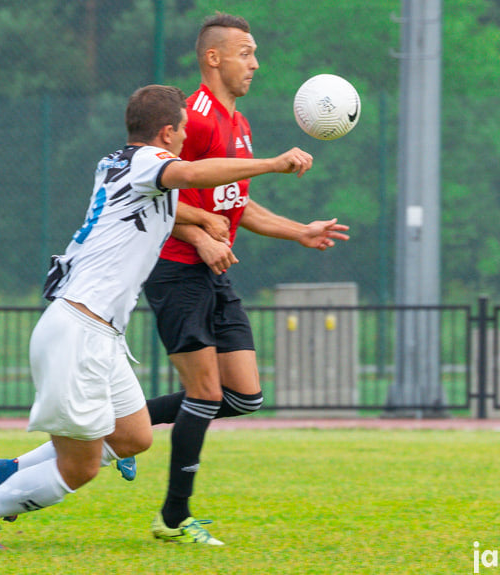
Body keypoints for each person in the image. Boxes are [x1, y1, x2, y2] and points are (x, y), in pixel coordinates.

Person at [0, 83, 314, 549]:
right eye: (182, 129)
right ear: (166, 132)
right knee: (77, 467)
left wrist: (203, 224)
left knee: (135, 436)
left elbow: (177, 202)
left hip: (98, 333)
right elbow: (197, 175)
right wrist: (274, 164)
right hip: (78, 331)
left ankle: (10, 471)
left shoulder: (118, 164)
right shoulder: (148, 162)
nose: (186, 137)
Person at [142, 12, 350, 546]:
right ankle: (173, 518)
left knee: (243, 396)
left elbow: (237, 203)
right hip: (177, 269)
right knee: (205, 393)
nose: (255, 63)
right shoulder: (196, 117)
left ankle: (117, 430)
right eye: (245, 53)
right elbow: (159, 190)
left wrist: (299, 231)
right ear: (214, 58)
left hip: (214, 273)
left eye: (254, 53)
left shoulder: (238, 123)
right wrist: (201, 237)